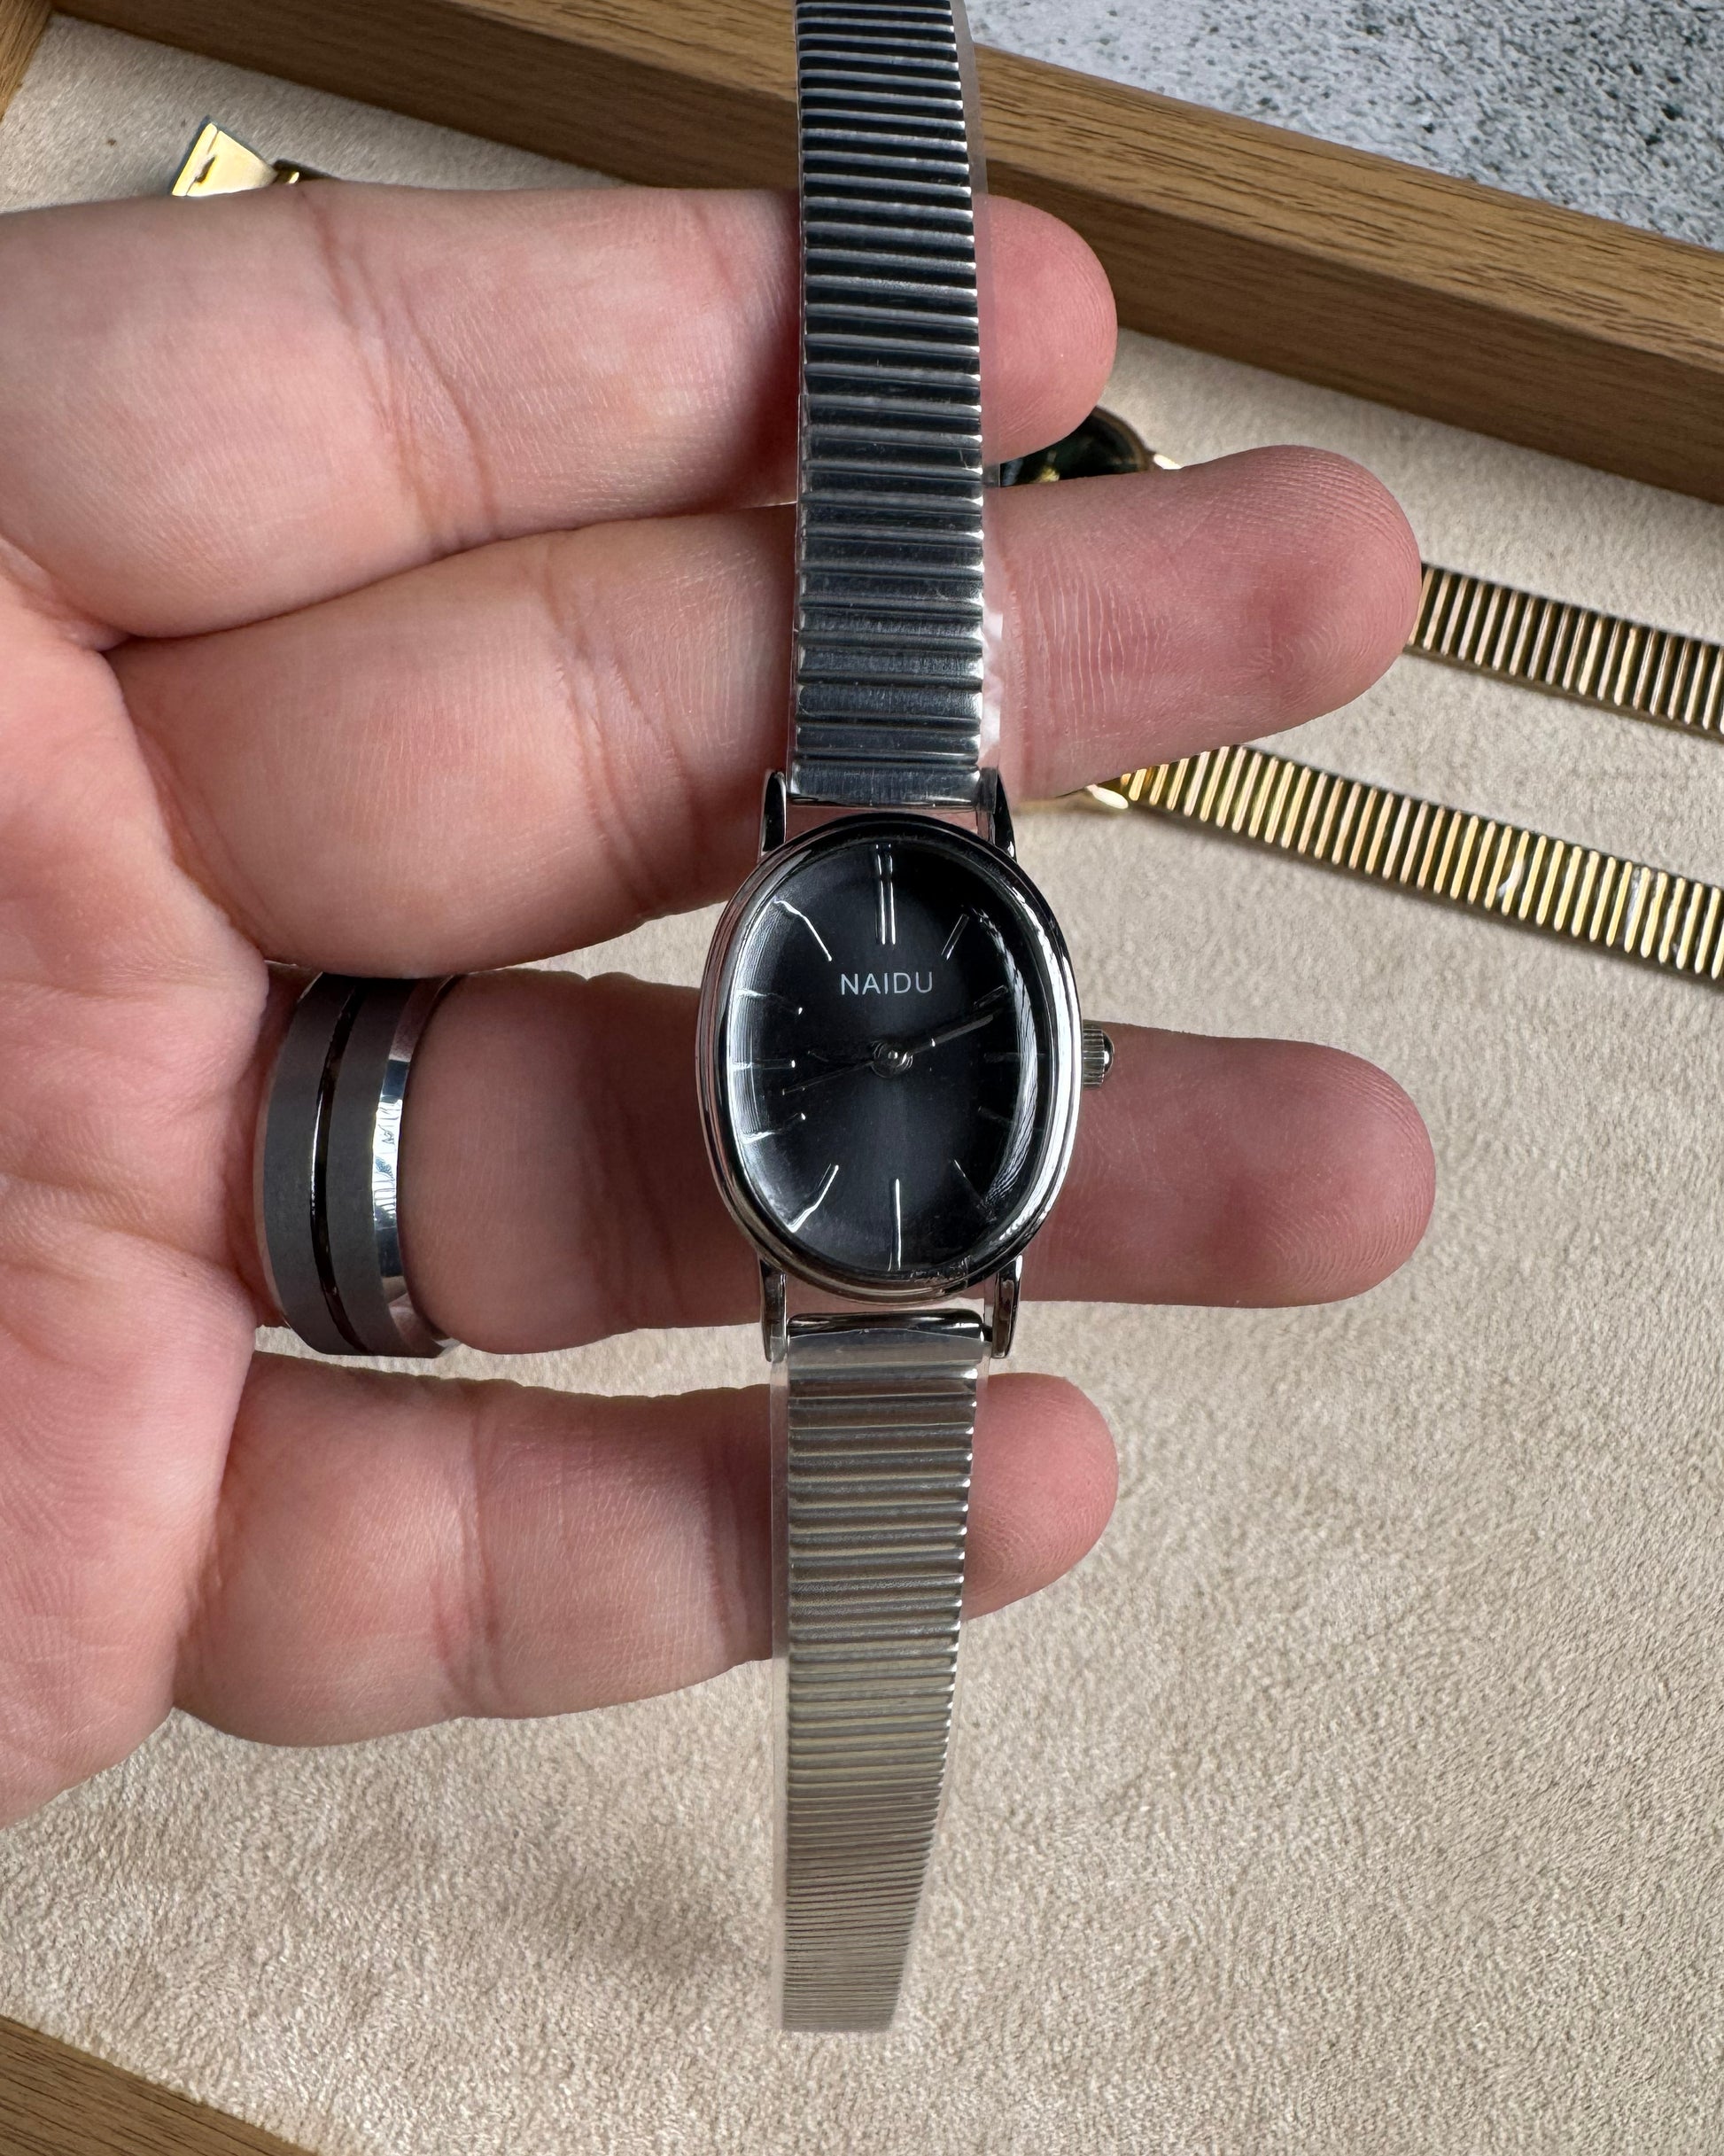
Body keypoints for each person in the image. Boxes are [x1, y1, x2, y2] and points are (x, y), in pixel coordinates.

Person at [0, 179, 1433, 1827]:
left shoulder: (903, 983)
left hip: (874, 1208)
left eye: (947, 1040)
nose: (901, 1048)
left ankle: (848, 1904)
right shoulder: (829, 936)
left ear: (1064, 1053)